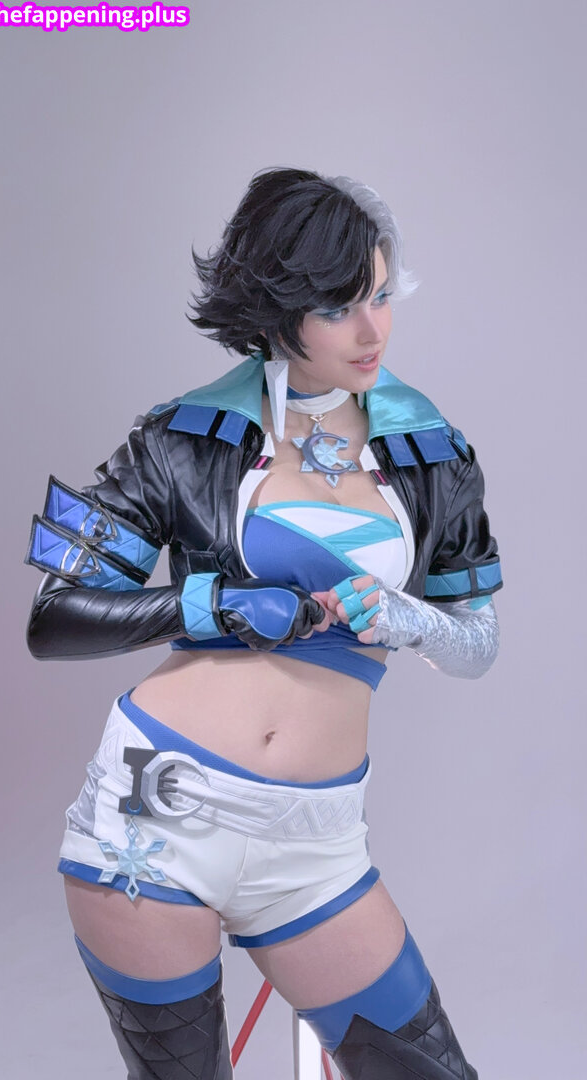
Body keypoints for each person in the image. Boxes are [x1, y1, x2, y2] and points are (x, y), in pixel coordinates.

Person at [25, 166, 502, 1080]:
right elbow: (54, 618)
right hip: (156, 812)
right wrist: (212, 605)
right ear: (279, 306)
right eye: (338, 308)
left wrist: (405, 617)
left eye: (381, 297)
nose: (372, 331)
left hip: (315, 844)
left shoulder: (432, 453)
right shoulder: (181, 436)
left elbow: (478, 644)